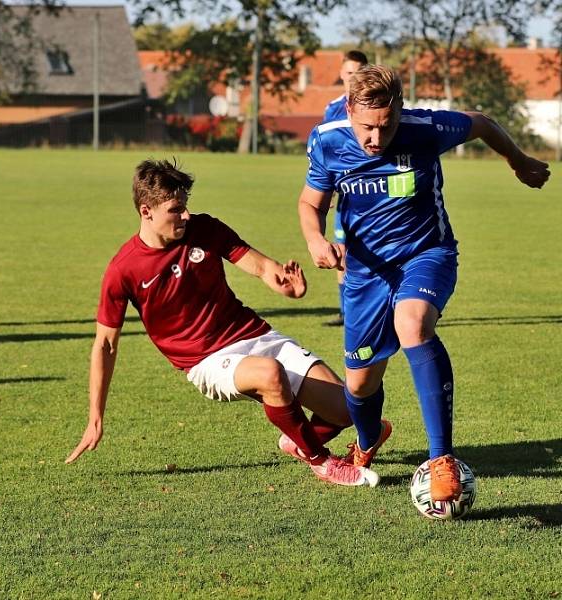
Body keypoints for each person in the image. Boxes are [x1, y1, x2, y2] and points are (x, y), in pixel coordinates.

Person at [297, 65, 549, 501]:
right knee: (358, 384)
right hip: (365, 271)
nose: (376, 138)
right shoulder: (327, 139)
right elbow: (310, 202)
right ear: (350, 109)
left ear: (399, 110)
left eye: (386, 125)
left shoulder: (426, 127)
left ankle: (441, 460)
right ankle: (369, 436)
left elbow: (483, 123)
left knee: (412, 325)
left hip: (426, 253)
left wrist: (520, 161)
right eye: (367, 128)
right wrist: (316, 239)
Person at [66, 158, 382, 488]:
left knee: (347, 410)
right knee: (270, 374)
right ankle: (322, 462)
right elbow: (105, 344)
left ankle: (297, 439)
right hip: (205, 360)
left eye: (186, 206)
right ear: (146, 212)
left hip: (254, 334)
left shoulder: (205, 229)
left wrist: (287, 287)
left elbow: (261, 267)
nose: (185, 215)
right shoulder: (124, 270)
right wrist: (95, 417)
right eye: (175, 209)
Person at [322, 50, 368, 327]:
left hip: (372, 190)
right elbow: (327, 151)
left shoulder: (375, 105)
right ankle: (346, 312)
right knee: (342, 252)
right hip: (345, 193)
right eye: (350, 73)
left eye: (359, 73)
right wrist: (326, 187)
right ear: (342, 74)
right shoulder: (333, 108)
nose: (354, 79)